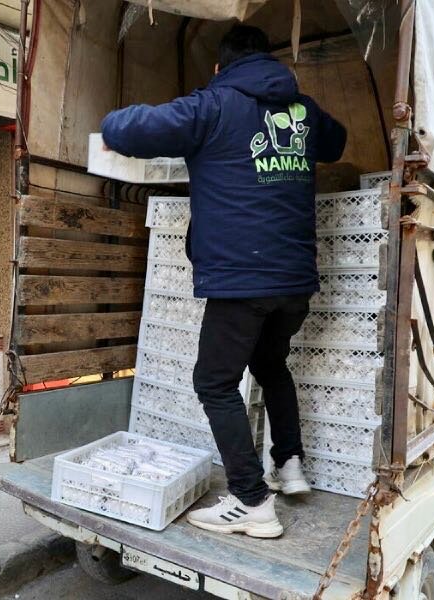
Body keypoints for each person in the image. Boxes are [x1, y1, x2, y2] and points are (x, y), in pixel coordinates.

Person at [101, 25, 346, 538]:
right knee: (271, 364)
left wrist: (109, 115)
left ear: (220, 67)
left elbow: (126, 130)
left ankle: (251, 501)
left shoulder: (211, 105)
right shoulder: (300, 110)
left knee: (212, 382)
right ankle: (290, 464)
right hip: (295, 281)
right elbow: (338, 142)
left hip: (243, 280)